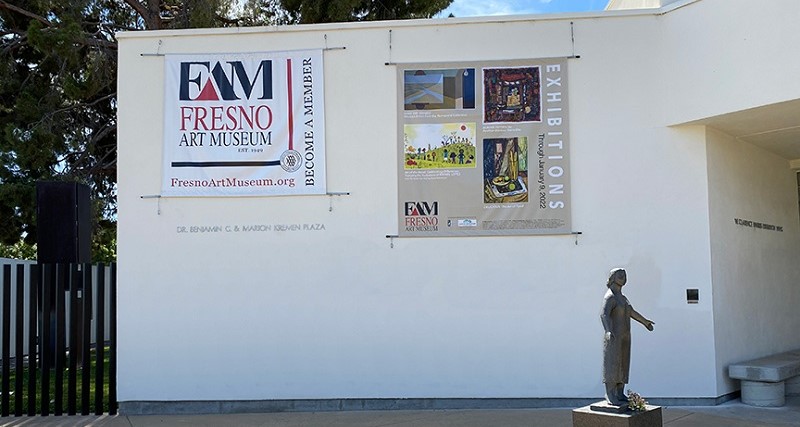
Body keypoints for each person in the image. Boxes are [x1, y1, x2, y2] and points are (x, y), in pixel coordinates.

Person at [600, 268, 655, 405]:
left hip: (625, 336)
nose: (623, 277)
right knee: (613, 363)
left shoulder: (623, 298)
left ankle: (620, 392)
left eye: (625, 275)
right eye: (620, 275)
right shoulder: (610, 297)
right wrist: (608, 330)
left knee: (623, 363)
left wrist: (645, 322)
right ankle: (610, 394)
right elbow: (604, 314)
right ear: (612, 278)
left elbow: (631, 312)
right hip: (614, 337)